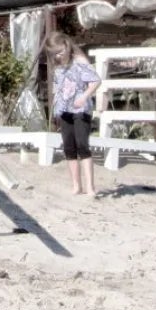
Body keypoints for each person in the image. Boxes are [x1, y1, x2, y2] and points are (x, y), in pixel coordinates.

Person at [47, 32, 102, 196]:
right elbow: (57, 87)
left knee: (82, 146)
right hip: (64, 110)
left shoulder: (79, 61)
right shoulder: (57, 66)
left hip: (80, 109)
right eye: (55, 53)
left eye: (61, 50)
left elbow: (96, 81)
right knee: (69, 148)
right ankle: (76, 186)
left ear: (66, 45)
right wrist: (56, 105)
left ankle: (90, 187)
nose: (59, 55)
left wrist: (84, 97)